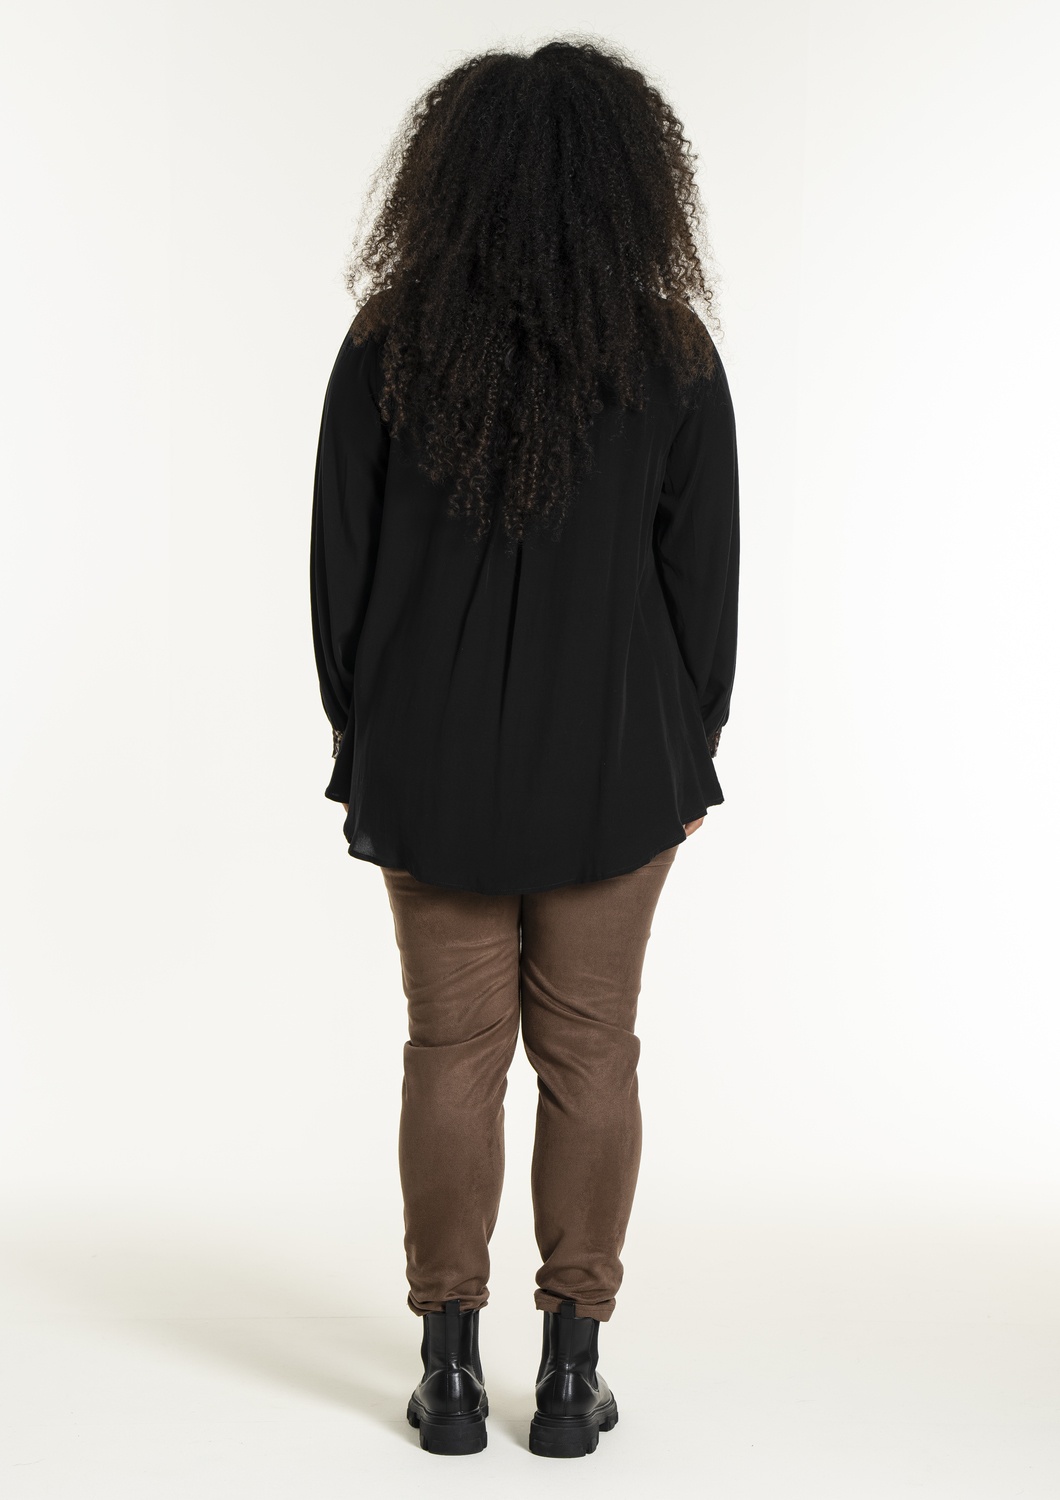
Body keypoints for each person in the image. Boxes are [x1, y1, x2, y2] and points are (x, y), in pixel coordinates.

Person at [310, 37, 739, 1459]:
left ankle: (446, 1374)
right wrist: (693, 746)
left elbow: (340, 573)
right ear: (630, 182)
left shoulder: (387, 344)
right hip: (618, 765)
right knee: (590, 1054)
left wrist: (362, 738)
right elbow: (704, 584)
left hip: (428, 767)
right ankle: (569, 1373)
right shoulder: (672, 354)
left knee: (450, 1050)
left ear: (451, 177)